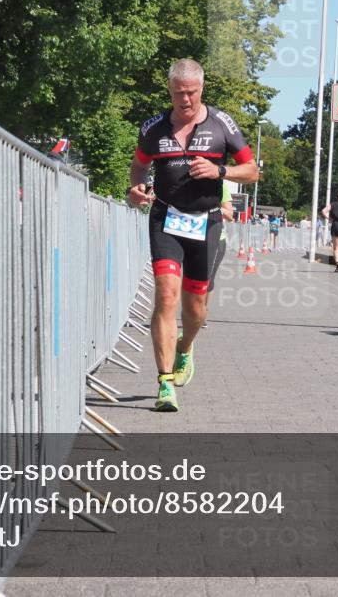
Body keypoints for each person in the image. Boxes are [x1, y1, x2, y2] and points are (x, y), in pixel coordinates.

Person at [128, 58, 258, 411]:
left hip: (207, 221)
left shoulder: (222, 125)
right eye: (178, 93)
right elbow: (139, 165)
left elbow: (252, 170)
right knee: (166, 295)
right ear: (169, 90)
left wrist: (220, 170)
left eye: (191, 93)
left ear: (202, 89)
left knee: (196, 307)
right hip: (166, 218)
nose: (184, 100)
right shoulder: (153, 128)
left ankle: (185, 348)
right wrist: (136, 189)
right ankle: (164, 383)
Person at [203, 182, 236, 329]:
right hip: (190, 236)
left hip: (216, 238)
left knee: (208, 277)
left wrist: (215, 208)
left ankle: (203, 311)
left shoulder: (220, 186)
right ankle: (192, 311)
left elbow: (230, 216)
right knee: (191, 277)